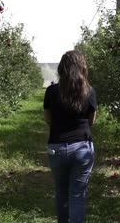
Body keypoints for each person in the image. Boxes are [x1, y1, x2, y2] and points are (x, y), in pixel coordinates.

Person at [43, 50, 97, 223]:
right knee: (77, 194)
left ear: (62, 68)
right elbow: (91, 121)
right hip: (82, 148)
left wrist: (61, 125)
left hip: (57, 147)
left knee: (61, 191)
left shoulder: (51, 91)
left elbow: (48, 119)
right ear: (82, 68)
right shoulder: (89, 91)